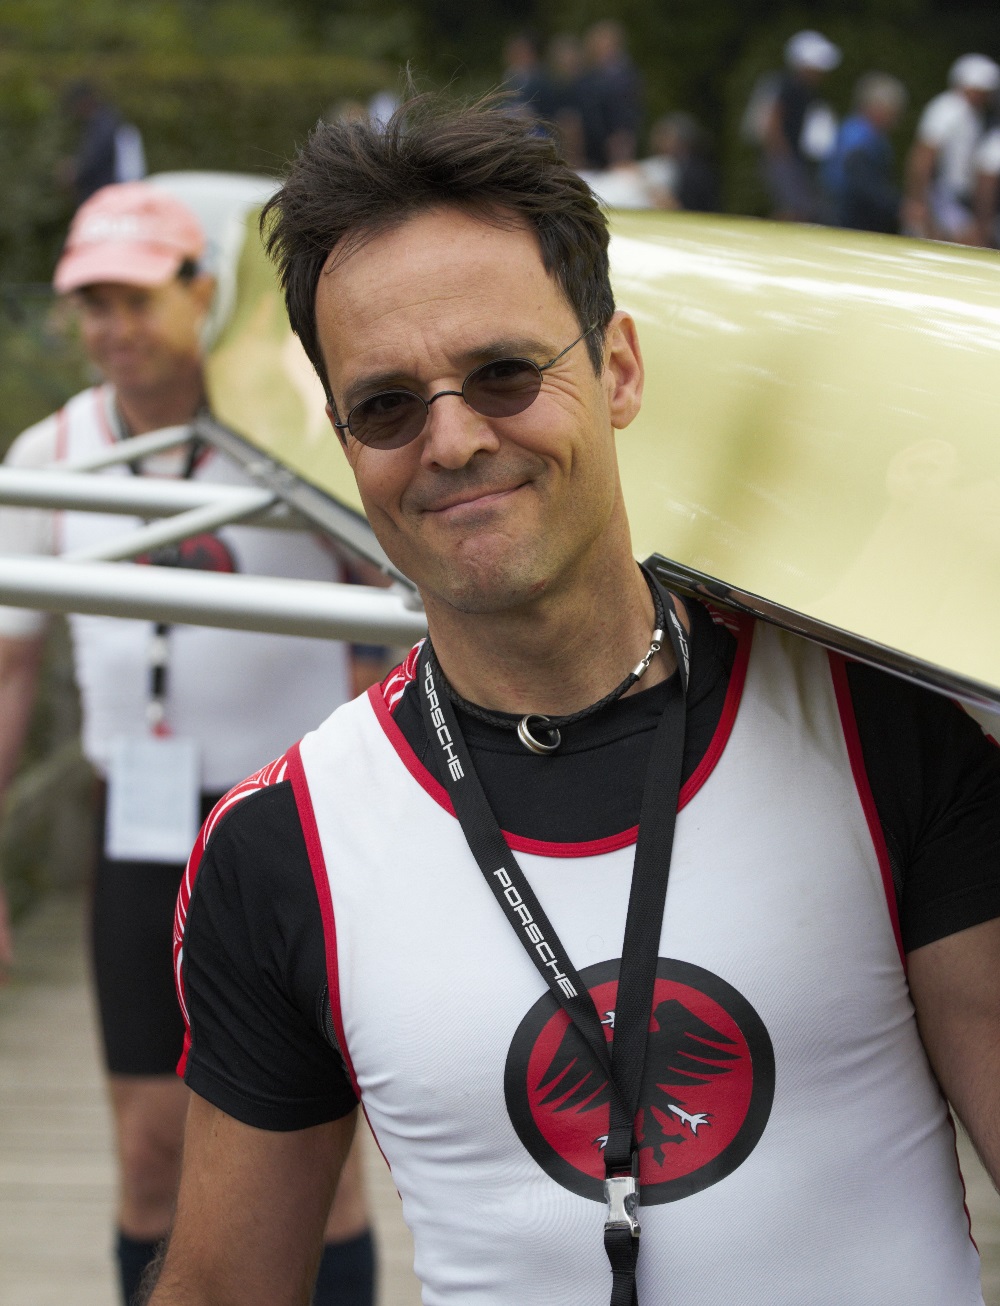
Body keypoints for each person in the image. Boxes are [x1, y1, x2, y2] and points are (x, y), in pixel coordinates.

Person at [146, 99, 1000, 1305]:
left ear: (618, 369)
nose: (452, 441)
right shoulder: (282, 845)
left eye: (503, 375)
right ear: (342, 440)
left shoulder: (876, 730)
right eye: (387, 405)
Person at [0, 182, 376, 1306]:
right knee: (152, 1150)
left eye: (138, 298)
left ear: (202, 291)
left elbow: (395, 626)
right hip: (139, 828)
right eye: (93, 304)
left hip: (290, 835)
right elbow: (10, 667)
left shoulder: (293, 436)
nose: (115, 327)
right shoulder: (50, 455)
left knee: (319, 1167)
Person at [903, 53, 1000, 243]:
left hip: (950, 198)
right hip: (942, 196)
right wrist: (918, 202)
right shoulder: (948, 109)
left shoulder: (969, 114)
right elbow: (924, 155)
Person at [759, 29, 841, 222]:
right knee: (797, 209)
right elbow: (773, 119)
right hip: (784, 157)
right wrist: (781, 153)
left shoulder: (802, 88)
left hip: (791, 157)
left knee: (801, 208)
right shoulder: (789, 85)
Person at [823, 72, 908, 233]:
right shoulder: (860, 137)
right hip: (848, 220)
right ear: (877, 107)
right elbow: (863, 183)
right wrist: (898, 206)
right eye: (893, 112)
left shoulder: (856, 130)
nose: (896, 120)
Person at [61, 83, 147, 206]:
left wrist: (76, 172)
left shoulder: (104, 125)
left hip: (106, 194)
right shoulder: (106, 121)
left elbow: (95, 158)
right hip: (109, 194)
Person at [576, 20, 644, 170]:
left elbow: (627, 109)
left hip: (615, 139)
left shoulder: (622, 75)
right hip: (595, 142)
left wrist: (622, 136)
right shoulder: (592, 75)